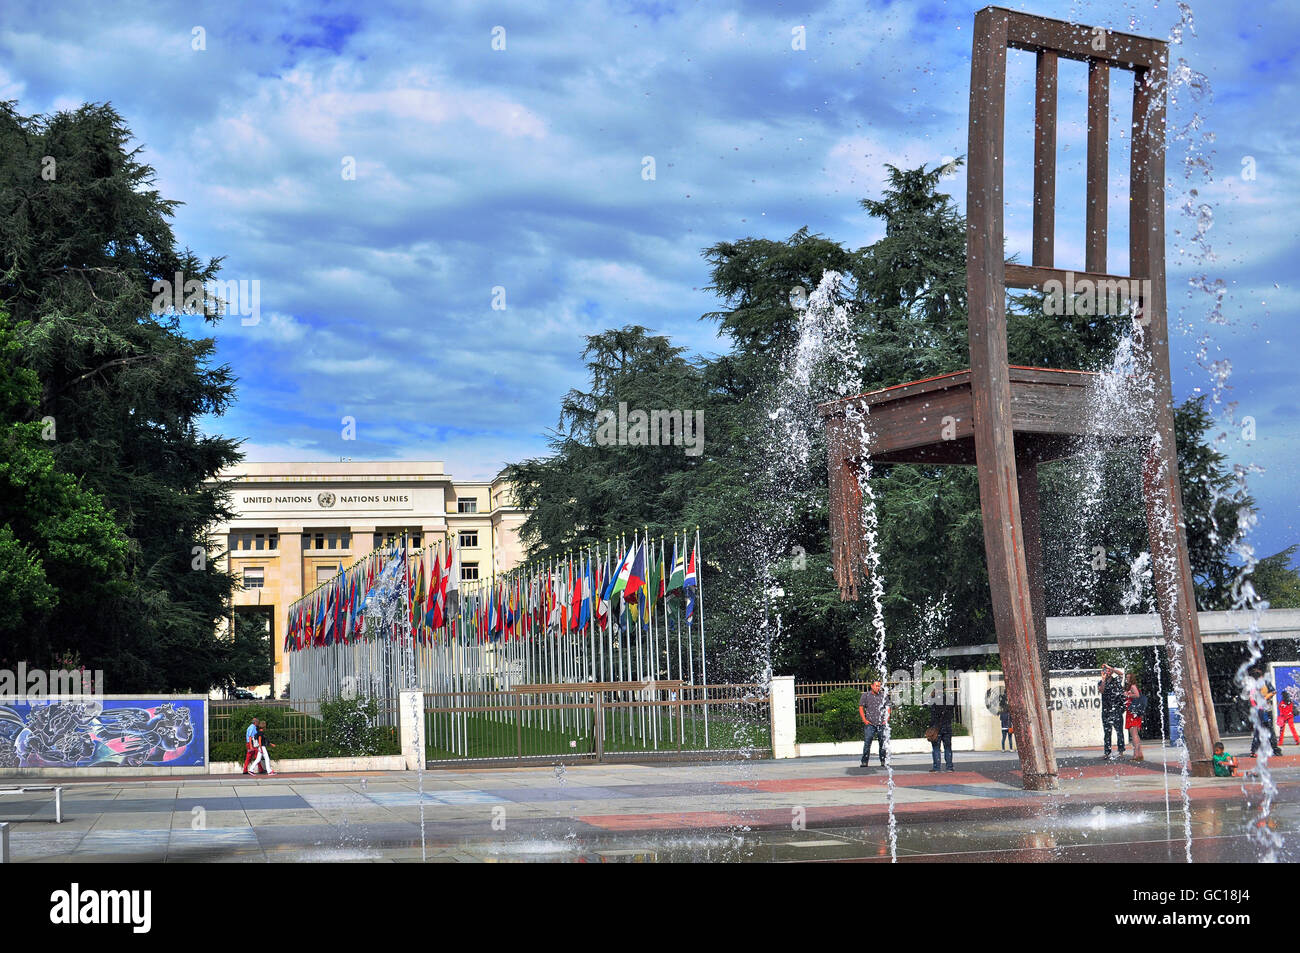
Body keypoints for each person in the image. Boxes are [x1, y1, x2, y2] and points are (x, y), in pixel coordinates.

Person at [1247, 668, 1282, 758]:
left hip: (1265, 709)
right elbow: (1251, 698)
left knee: (1267, 729)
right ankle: (1255, 750)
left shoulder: (1265, 683)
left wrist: (1265, 698)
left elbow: (1273, 691)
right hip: (1259, 710)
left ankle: (1274, 749)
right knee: (1261, 730)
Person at [859, 680, 890, 768]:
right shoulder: (866, 695)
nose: (878, 688)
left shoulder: (883, 696)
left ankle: (883, 760)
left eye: (879, 686)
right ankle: (864, 761)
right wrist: (864, 720)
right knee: (867, 743)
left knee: (882, 743)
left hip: (881, 723)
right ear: (872, 686)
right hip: (870, 723)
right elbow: (861, 707)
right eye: (876, 686)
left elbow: (888, 708)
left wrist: (886, 719)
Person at [1098, 663, 1126, 760]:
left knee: (1119, 732)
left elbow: (1121, 674)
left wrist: (1111, 668)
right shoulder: (1101, 682)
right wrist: (1103, 680)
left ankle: (1121, 751)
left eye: (1108, 670)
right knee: (1107, 732)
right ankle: (1107, 752)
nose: (1107, 672)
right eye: (1106, 670)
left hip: (1116, 710)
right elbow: (1101, 690)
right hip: (1106, 710)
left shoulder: (1116, 680)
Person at [928, 697, 955, 772]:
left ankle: (937, 767)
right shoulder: (949, 701)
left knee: (936, 748)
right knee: (948, 747)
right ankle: (949, 767)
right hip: (947, 727)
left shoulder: (934, 702)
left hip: (937, 728)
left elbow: (933, 717)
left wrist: (931, 726)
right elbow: (951, 714)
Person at [1124, 673, 1145, 762]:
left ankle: (1136, 755)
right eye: (1126, 677)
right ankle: (1139, 754)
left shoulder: (1132, 686)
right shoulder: (1131, 687)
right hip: (1132, 712)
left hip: (1133, 713)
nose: (1127, 679)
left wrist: (1127, 695)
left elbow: (1137, 695)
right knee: (1135, 734)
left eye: (1128, 677)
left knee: (1134, 734)